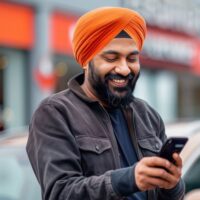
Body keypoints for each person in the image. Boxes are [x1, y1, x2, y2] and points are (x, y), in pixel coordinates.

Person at [26, 7, 185, 200]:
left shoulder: (148, 115)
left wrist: (172, 184)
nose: (125, 69)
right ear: (86, 61)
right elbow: (60, 193)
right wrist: (129, 179)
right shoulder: (55, 113)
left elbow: (169, 196)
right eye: (111, 58)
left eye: (132, 59)